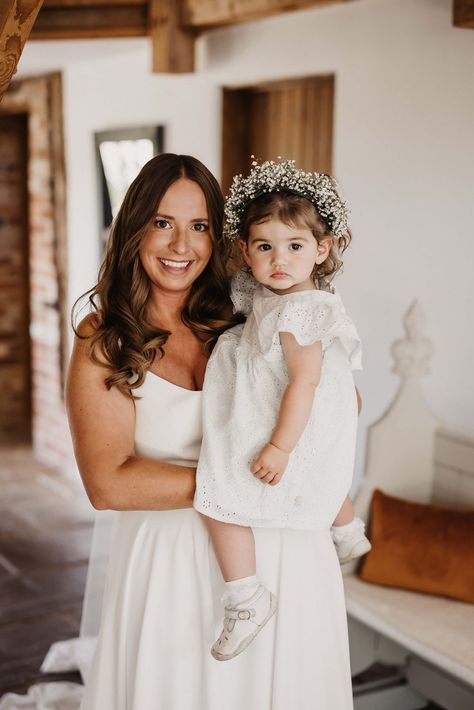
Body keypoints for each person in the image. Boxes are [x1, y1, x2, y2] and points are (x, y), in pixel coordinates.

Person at [67, 153, 354, 710]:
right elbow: (108, 484)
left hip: (287, 554)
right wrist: (248, 480)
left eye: (199, 226)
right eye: (162, 223)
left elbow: (339, 401)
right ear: (132, 229)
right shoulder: (106, 336)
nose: (181, 246)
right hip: (169, 566)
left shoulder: (251, 312)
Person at [194, 158, 370, 661]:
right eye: (264, 247)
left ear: (322, 248)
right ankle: (347, 528)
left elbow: (306, 380)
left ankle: (245, 596)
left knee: (219, 490)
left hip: (293, 410)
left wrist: (278, 446)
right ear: (245, 250)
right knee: (322, 462)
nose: (279, 260)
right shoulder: (273, 292)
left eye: (295, 247)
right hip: (299, 403)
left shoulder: (299, 308)